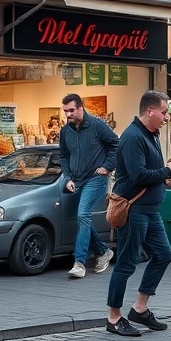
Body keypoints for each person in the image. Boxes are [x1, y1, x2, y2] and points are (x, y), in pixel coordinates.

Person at [106, 90, 171, 338]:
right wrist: (167, 171)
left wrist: (169, 175)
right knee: (126, 264)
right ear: (150, 111)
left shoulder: (150, 135)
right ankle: (114, 318)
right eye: (164, 112)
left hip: (150, 211)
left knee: (164, 255)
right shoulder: (133, 137)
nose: (167, 117)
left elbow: (150, 173)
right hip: (135, 211)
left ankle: (140, 309)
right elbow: (138, 176)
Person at [59, 93, 118, 279]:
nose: (68, 114)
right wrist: (67, 178)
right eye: (65, 111)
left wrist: (107, 167)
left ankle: (79, 263)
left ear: (80, 108)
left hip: (96, 178)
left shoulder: (97, 125)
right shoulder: (65, 131)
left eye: (71, 110)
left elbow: (116, 145)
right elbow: (63, 156)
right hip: (76, 180)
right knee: (81, 217)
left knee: (83, 214)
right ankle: (103, 251)